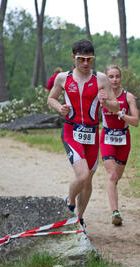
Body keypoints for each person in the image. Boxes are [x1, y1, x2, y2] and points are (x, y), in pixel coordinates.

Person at [47, 39, 119, 230]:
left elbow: (116, 105)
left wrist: (106, 101)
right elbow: (51, 98)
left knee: (88, 181)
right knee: (82, 175)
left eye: (89, 59)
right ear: (74, 57)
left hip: (93, 134)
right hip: (72, 131)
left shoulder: (101, 79)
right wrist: (59, 107)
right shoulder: (63, 78)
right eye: (81, 59)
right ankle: (69, 203)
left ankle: (79, 219)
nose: (86, 63)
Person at [100, 65, 139, 226]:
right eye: (111, 76)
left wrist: (122, 114)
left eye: (117, 76)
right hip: (107, 137)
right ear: (106, 78)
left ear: (120, 78)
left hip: (123, 139)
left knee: (116, 178)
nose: (114, 80)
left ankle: (112, 193)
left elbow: (136, 121)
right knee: (112, 176)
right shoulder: (101, 94)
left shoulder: (128, 97)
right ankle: (115, 212)